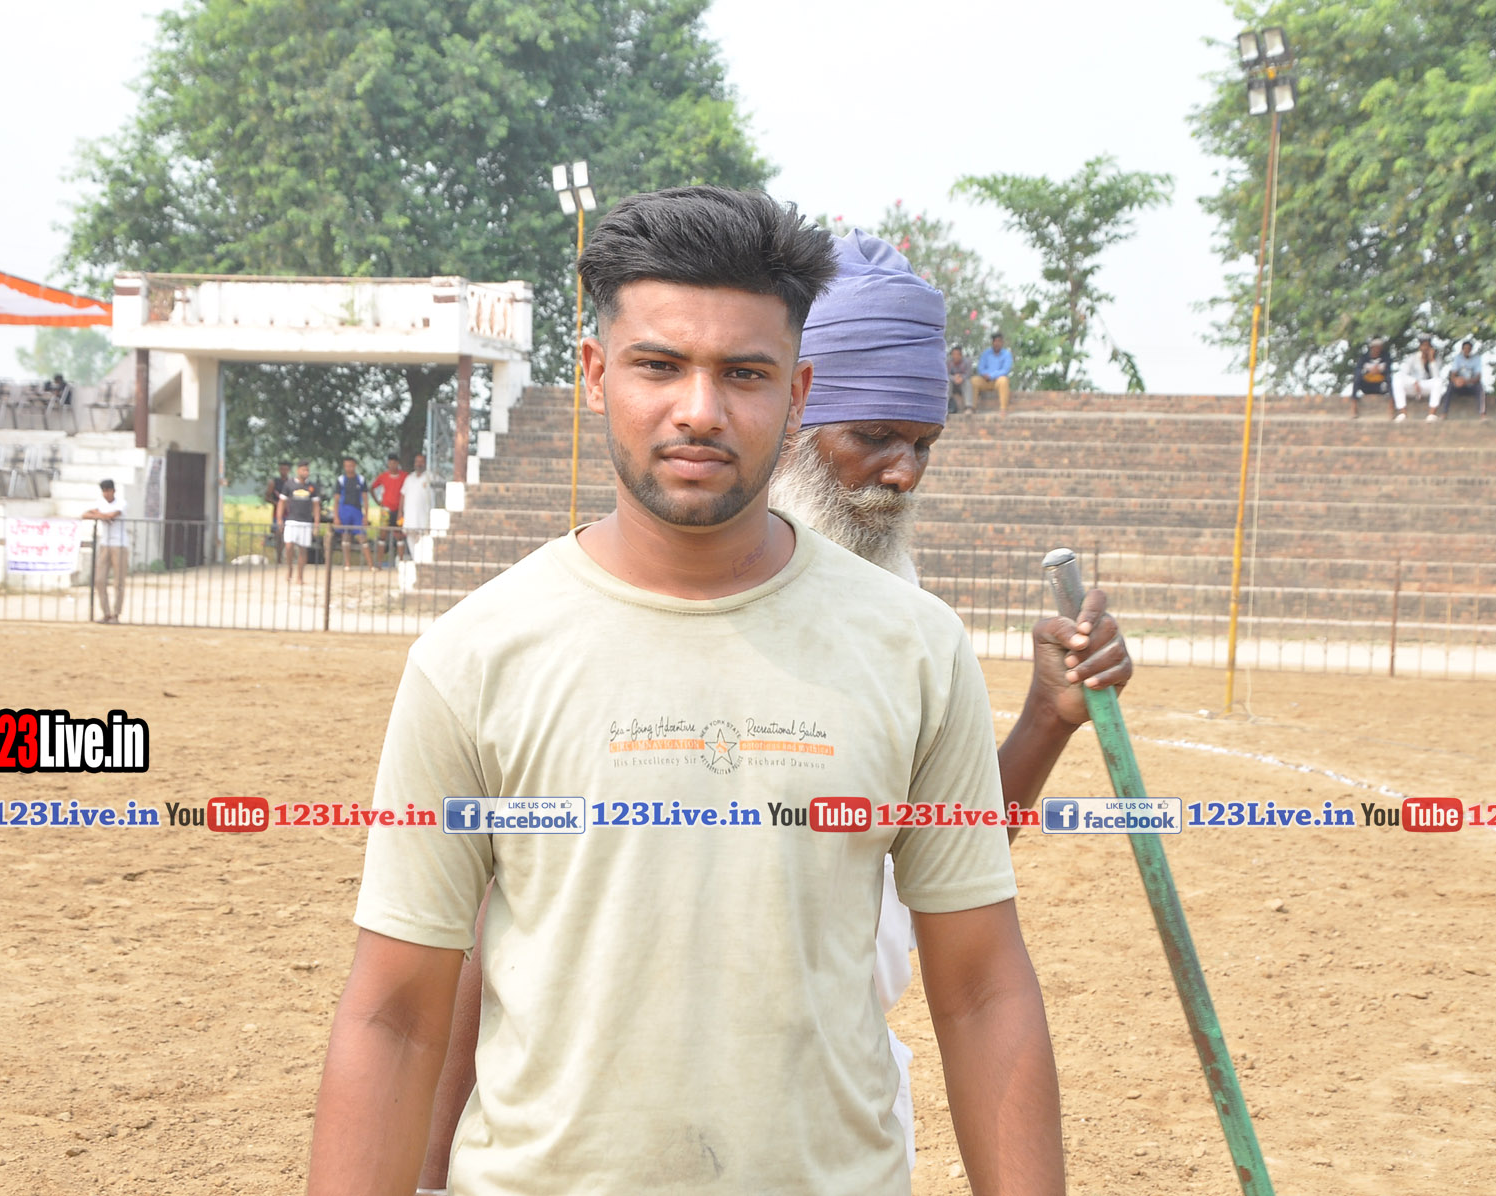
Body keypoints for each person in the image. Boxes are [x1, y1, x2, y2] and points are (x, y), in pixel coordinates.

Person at [310, 186, 1065, 1196]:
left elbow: (979, 990)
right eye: (659, 365)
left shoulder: (916, 648)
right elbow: (398, 1013)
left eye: (744, 373)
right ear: (595, 375)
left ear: (796, 393)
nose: (700, 411)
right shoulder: (473, 655)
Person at [81, 479, 128, 624]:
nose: (106, 494)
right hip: (105, 544)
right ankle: (106, 613)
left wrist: (99, 514)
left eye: (108, 491)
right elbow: (85, 515)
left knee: (118, 582)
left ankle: (116, 614)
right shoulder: (100, 503)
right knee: (99, 580)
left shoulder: (121, 503)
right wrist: (103, 516)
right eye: (104, 491)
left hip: (119, 544)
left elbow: (111, 516)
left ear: (113, 491)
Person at [276, 461, 321, 584]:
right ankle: (290, 568)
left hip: (306, 521)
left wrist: (316, 523)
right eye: (303, 470)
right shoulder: (289, 484)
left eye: (307, 470)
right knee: (289, 546)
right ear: (298, 470)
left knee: (303, 549)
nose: (306, 472)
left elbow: (316, 505)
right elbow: (282, 502)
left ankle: (300, 576)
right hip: (291, 520)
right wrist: (279, 519)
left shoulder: (312, 487)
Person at [330, 455, 376, 568]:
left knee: (362, 537)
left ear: (355, 466)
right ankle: (347, 564)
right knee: (345, 537)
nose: (349, 468)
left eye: (351, 466)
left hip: (357, 511)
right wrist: (336, 516)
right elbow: (336, 499)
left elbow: (365, 498)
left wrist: (366, 515)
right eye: (346, 466)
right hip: (344, 510)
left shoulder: (361, 479)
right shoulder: (341, 480)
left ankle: (371, 565)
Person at [370, 453, 408, 562]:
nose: (392, 465)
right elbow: (372, 487)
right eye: (390, 463)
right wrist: (378, 502)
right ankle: (379, 563)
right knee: (383, 535)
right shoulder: (383, 476)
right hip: (385, 510)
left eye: (394, 463)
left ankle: (401, 561)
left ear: (398, 463)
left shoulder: (404, 476)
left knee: (399, 535)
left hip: (399, 510)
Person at [1399, 333, 1446, 421]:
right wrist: (1414, 381)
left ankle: (1431, 414)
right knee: (1397, 378)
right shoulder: (1413, 357)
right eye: (1423, 346)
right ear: (1420, 347)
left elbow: (1436, 377)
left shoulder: (1436, 359)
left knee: (1438, 382)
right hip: (1414, 385)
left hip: (1426, 386)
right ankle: (1403, 414)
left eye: (1427, 346)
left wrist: (1431, 360)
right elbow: (1403, 374)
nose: (1425, 348)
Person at [1443, 339, 1490, 419]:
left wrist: (1466, 381)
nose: (1467, 350)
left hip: (1471, 385)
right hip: (1459, 385)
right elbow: (1453, 374)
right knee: (1450, 386)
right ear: (1462, 349)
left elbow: (1478, 376)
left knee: (1480, 388)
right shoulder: (1458, 358)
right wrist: (1457, 381)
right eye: (1465, 348)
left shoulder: (1476, 359)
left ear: (1471, 350)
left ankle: (1482, 414)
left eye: (1468, 349)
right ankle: (1444, 413)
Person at [1350, 337, 1395, 419]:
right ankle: (1353, 406)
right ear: (1371, 348)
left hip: (1380, 386)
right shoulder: (1364, 358)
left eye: (1379, 348)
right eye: (1375, 348)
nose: (1377, 350)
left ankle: (1391, 407)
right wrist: (1368, 371)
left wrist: (1380, 371)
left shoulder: (1386, 357)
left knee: (1390, 379)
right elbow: (1358, 370)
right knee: (1357, 377)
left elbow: (1389, 371)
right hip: (1367, 386)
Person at [401, 452, 433, 559]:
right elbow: (403, 495)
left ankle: (422, 561)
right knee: (410, 538)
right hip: (409, 516)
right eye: (417, 462)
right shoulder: (409, 478)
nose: (419, 464)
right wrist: (400, 512)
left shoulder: (430, 477)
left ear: (425, 463)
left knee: (423, 538)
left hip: (423, 516)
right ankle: (415, 560)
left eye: (421, 462)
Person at [971, 330, 1013, 414]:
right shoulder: (986, 353)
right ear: (992, 342)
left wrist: (991, 375)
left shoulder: (1007, 354)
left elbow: (1005, 370)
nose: (997, 343)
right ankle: (972, 408)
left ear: (1002, 343)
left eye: (999, 341)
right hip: (985, 380)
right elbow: (980, 367)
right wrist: (984, 374)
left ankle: (1003, 409)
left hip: (998, 381)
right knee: (974, 380)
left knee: (1004, 380)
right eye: (995, 341)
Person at [263, 461, 293, 562]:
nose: (284, 471)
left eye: (286, 469)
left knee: (288, 536)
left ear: (289, 470)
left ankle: (287, 558)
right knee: (278, 535)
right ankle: (279, 559)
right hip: (278, 513)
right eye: (282, 469)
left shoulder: (291, 482)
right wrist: (277, 504)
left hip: (289, 512)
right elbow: (267, 497)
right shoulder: (274, 483)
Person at [946, 344, 971, 414]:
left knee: (967, 383)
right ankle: (945, 406)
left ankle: (968, 407)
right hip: (951, 384)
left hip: (962, 383)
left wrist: (961, 378)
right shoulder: (948, 362)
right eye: (953, 354)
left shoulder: (967, 362)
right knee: (947, 382)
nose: (955, 356)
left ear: (961, 355)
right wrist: (954, 378)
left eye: (957, 354)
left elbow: (968, 374)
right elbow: (945, 374)